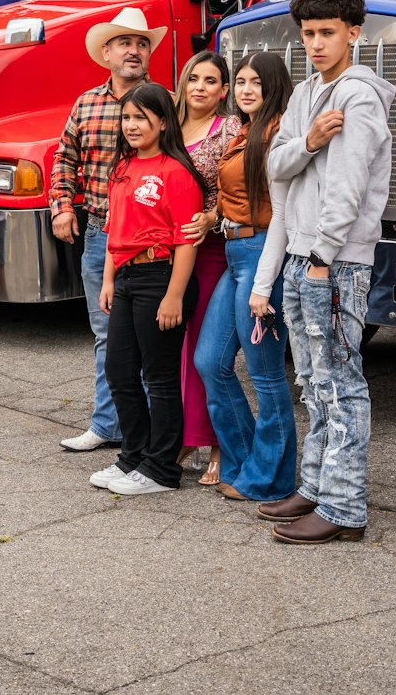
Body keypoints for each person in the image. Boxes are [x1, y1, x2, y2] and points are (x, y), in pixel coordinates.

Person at [253, 0, 394, 545]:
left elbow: (349, 187)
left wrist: (322, 256)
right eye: (308, 33)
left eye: (327, 33)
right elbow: (275, 166)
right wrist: (309, 139)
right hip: (299, 253)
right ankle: (313, 488)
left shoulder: (358, 97)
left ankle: (344, 507)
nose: (315, 43)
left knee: (341, 381)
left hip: (331, 260)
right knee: (311, 379)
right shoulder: (308, 94)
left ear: (353, 34)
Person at [51, 7, 165, 452]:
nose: (134, 50)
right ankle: (106, 425)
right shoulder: (87, 103)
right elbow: (64, 158)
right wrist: (62, 208)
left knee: (151, 336)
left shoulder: (163, 100)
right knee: (106, 334)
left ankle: (153, 433)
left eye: (141, 43)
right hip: (99, 234)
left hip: (150, 240)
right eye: (125, 43)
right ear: (106, 52)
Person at [89, 82, 205, 496]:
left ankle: (161, 469)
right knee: (119, 371)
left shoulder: (176, 171)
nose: (132, 125)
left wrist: (175, 294)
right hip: (126, 279)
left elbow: (186, 239)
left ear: (162, 120)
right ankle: (133, 458)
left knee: (159, 378)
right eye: (126, 118)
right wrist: (107, 279)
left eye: (141, 117)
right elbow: (113, 229)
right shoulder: (123, 168)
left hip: (161, 279)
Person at [195, 52, 297, 504]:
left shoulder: (277, 134)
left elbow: (283, 212)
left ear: (274, 86)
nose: (246, 89)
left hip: (262, 254)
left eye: (256, 82)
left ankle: (271, 477)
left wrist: (265, 279)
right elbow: (236, 194)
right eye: (240, 82)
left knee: (266, 373)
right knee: (209, 362)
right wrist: (212, 213)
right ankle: (241, 463)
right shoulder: (244, 132)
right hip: (235, 248)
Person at [173, 51, 239, 485]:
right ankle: (183, 435)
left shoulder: (229, 129)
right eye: (193, 78)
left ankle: (217, 443)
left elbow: (241, 184)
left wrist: (213, 216)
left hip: (211, 248)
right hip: (170, 249)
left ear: (224, 90)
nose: (200, 86)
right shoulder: (170, 124)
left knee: (207, 350)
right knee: (174, 348)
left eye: (210, 80)